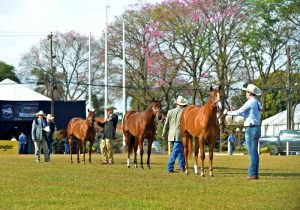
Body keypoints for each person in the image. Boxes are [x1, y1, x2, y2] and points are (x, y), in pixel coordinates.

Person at [224, 84, 262, 180]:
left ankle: (252, 174)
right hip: (257, 128)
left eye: (246, 92)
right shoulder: (257, 102)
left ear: (249, 93)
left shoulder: (250, 102)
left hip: (251, 129)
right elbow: (249, 113)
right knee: (254, 152)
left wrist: (227, 112)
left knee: (252, 151)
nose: (245, 94)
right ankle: (255, 173)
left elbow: (239, 112)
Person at [162, 95, 187, 173]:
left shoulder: (170, 111)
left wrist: (163, 133)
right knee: (176, 151)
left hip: (171, 134)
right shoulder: (185, 112)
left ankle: (182, 167)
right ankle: (169, 168)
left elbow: (166, 124)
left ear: (177, 104)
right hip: (179, 135)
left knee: (180, 151)